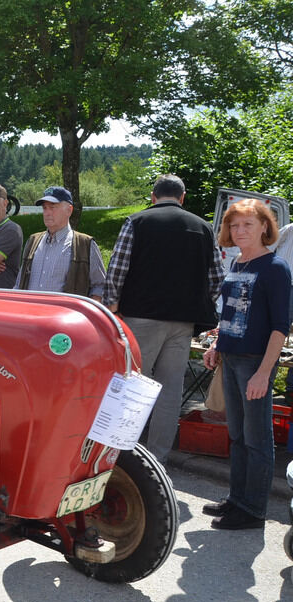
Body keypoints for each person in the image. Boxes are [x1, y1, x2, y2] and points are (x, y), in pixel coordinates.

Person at [104, 174, 224, 463]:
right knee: (170, 390)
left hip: (139, 318)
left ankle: (120, 456)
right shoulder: (203, 227)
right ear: (182, 198)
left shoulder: (138, 222)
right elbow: (218, 278)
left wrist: (113, 308)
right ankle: (156, 459)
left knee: (133, 385)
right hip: (182, 323)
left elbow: (116, 271)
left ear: (153, 196)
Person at [201, 199, 290, 529]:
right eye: (235, 225)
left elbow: (281, 326)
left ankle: (253, 511)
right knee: (237, 436)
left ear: (264, 227)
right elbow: (230, 314)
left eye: (248, 225)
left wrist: (264, 373)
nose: (240, 231)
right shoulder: (237, 263)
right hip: (233, 358)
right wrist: (217, 347)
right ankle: (237, 499)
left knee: (257, 440)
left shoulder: (275, 268)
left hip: (255, 363)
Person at [15, 186, 106, 299]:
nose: (47, 213)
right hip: (30, 314)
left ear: (69, 210)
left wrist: (84, 313)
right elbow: (19, 285)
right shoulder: (33, 241)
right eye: (44, 208)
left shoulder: (85, 244)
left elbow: (100, 287)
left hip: (65, 316)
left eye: (53, 207)